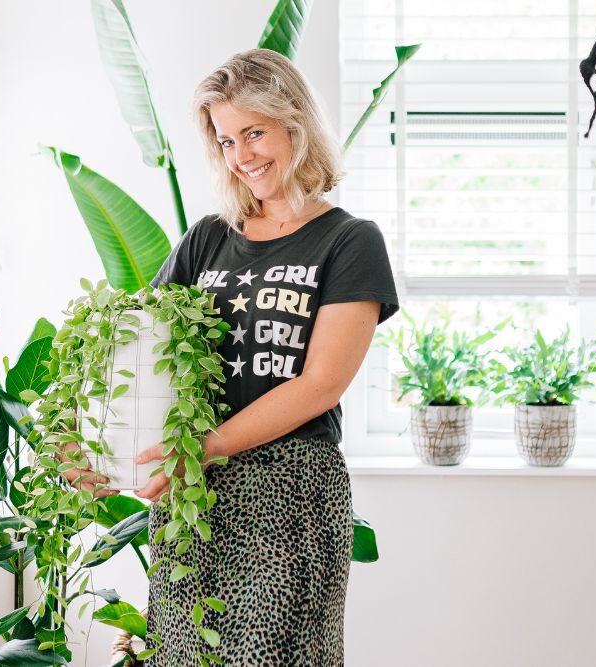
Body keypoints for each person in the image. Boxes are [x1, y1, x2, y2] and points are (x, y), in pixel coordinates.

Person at [126, 48, 401, 666]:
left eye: (255, 132)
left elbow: (320, 384)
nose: (242, 155)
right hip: (195, 498)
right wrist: (100, 449)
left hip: (291, 490)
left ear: (295, 126)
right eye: (227, 141)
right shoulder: (208, 238)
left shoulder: (350, 241)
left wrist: (204, 447)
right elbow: (145, 353)